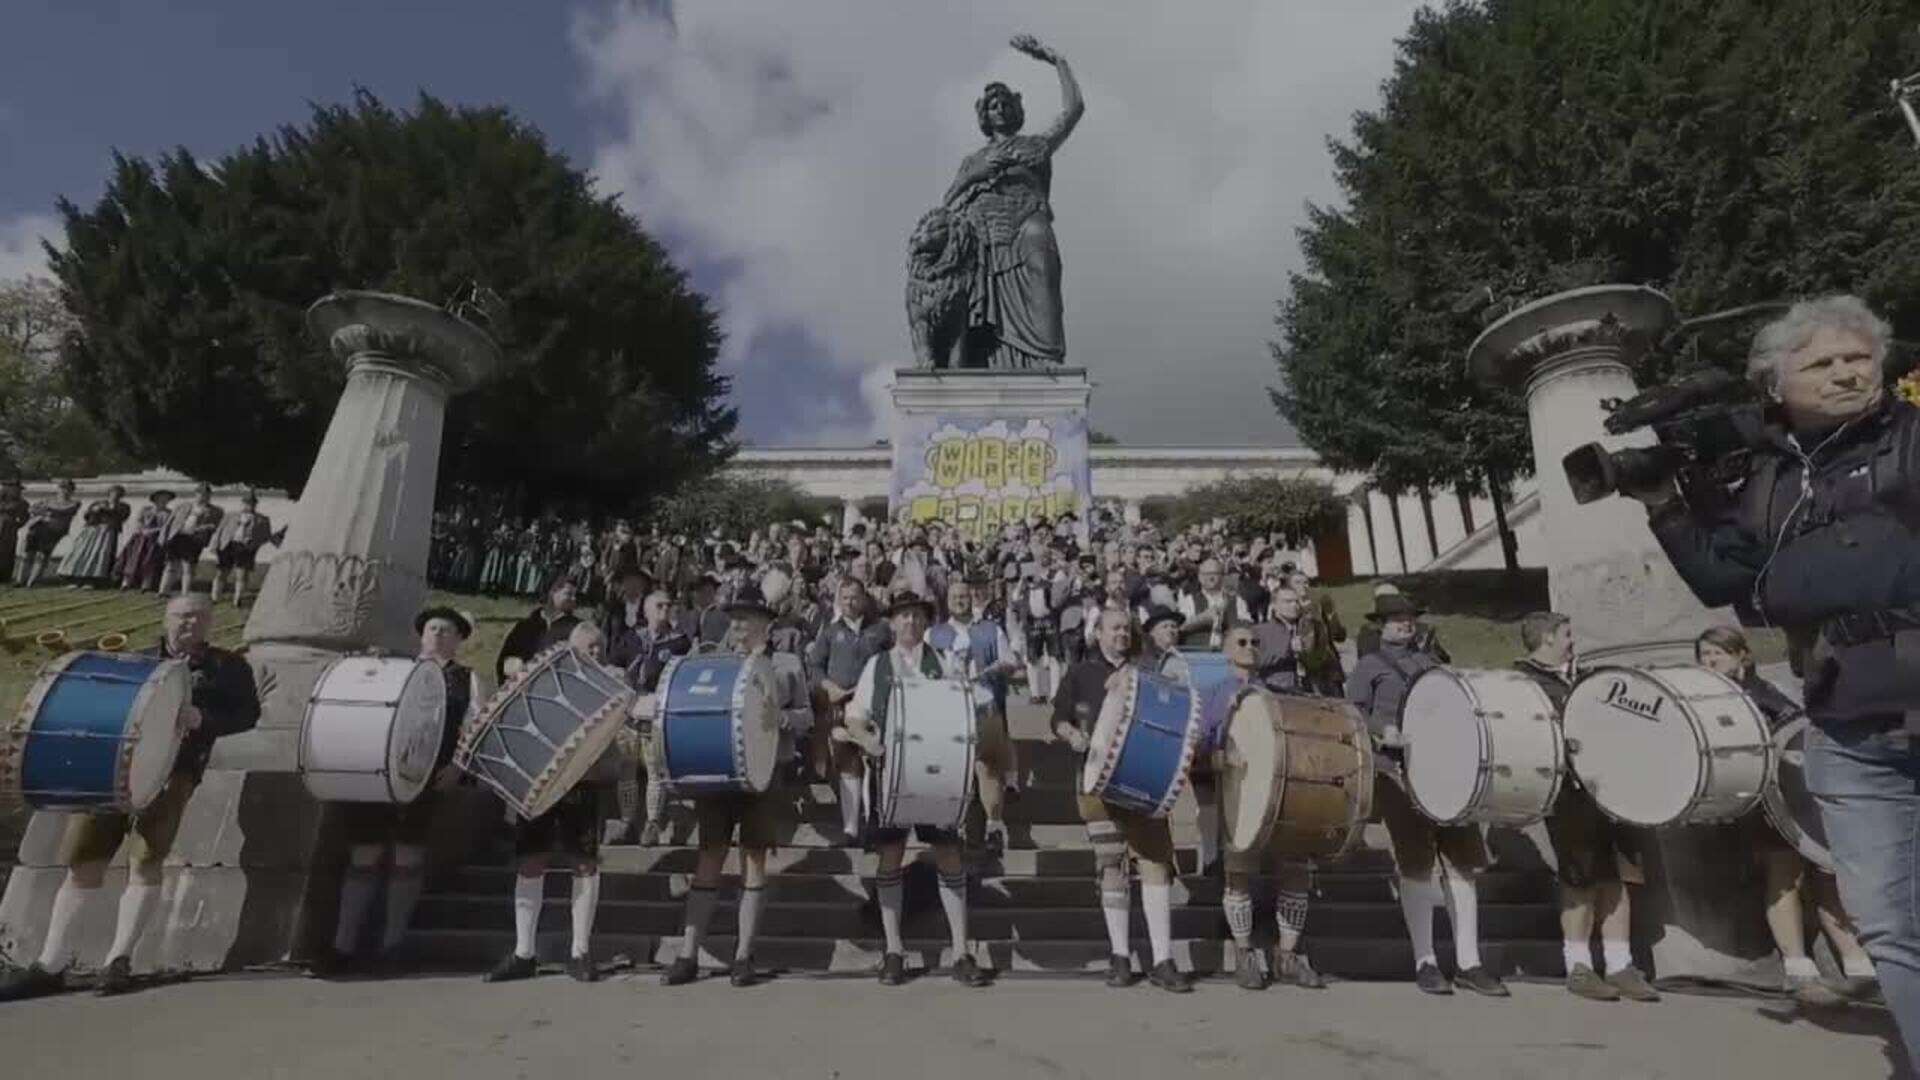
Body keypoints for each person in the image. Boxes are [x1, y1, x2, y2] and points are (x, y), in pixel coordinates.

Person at [1643, 296, 1920, 1062]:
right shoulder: (1766, 479)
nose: (1844, 373)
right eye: (1820, 363)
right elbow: (1720, 577)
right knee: (1893, 924)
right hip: (1847, 723)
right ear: (1774, 386)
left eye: (1857, 358)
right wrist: (1666, 505)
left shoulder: (1912, 439)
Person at [0, 593, 259, 1000]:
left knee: (147, 859)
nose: (189, 623)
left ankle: (118, 960)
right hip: (109, 771)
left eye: (198, 617)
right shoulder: (135, 659)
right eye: (181, 617)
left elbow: (248, 715)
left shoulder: (229, 668)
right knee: (82, 859)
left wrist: (205, 719)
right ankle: (50, 964)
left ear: (209, 623)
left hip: (174, 773)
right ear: (166, 619)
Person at [1695, 625, 1876, 1006]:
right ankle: (1797, 967)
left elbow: (1796, 730)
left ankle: (1859, 966)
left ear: (1742, 656)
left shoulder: (1764, 693)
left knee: (1825, 877)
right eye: (1704, 655)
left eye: (1717, 654)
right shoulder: (1704, 700)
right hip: (1755, 802)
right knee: (1784, 880)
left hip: (1792, 795)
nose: (1709, 661)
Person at [1346, 593, 1508, 997]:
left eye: (1408, 617)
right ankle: (1425, 961)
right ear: (1379, 626)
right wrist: (1382, 732)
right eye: (1396, 618)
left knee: (1461, 865)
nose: (1405, 623)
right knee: (1416, 864)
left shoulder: (1434, 662)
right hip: (1397, 773)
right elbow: (1351, 714)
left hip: (1448, 773)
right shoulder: (1368, 666)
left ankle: (1470, 963)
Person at [654, 585, 813, 987]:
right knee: (709, 857)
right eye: (735, 618)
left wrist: (785, 721)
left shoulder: (788, 663)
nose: (738, 625)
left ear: (765, 623)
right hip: (719, 770)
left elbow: (806, 715)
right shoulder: (714, 660)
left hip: (763, 773)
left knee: (754, 860)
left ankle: (744, 955)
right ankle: (688, 953)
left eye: (746, 618)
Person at [315, 607, 486, 974]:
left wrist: (458, 766)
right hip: (380, 773)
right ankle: (342, 945)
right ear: (421, 636)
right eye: (432, 629)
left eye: (446, 631)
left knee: (408, 856)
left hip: (427, 776)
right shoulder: (395, 669)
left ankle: (392, 943)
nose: (438, 635)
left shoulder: (467, 679)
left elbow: (476, 725)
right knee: (364, 853)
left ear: (458, 640)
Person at [840, 594, 991, 987]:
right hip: (889, 775)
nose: (910, 621)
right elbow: (854, 717)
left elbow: (973, 707)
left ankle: (960, 951)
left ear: (926, 623)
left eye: (918, 616)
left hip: (938, 776)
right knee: (889, 857)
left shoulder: (945, 663)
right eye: (903, 615)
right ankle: (894, 950)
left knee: (949, 856)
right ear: (892, 623)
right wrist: (869, 742)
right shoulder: (877, 664)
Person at [1507, 611, 1658, 1002]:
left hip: (1612, 791)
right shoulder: (1524, 683)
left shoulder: (1590, 677)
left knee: (1619, 878)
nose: (1573, 641)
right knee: (1580, 881)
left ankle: (1620, 965)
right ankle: (1579, 966)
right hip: (1569, 795)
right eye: (1567, 635)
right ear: (1546, 639)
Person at [1053, 606, 1192, 993]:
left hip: (1144, 778)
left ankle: (1163, 959)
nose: (1121, 634)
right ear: (1097, 633)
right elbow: (1059, 717)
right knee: (1111, 865)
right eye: (1113, 629)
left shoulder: (1147, 669)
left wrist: (1132, 678)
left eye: (1125, 629)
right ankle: (1120, 956)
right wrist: (1072, 736)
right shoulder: (1080, 673)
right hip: (1096, 784)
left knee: (1154, 865)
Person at [484, 623, 617, 984]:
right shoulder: (544, 684)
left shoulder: (610, 687)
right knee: (530, 862)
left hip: (583, 785)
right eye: (588, 647)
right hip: (540, 784)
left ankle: (580, 951)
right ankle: (524, 952)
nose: (595, 653)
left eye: (599, 648)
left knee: (585, 864)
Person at [941, 34, 1082, 369]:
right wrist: (974, 176)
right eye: (993, 106)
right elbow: (947, 205)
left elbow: (1074, 109)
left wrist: (1055, 59)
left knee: (1040, 247)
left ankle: (1046, 360)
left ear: (1016, 109)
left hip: (1025, 227)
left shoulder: (1036, 146)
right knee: (968, 282)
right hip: (984, 239)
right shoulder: (973, 160)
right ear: (985, 117)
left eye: (1006, 103)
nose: (1000, 109)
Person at [1201, 626, 1323, 990]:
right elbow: (1198, 743)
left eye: (1255, 642)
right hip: (1237, 792)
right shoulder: (1215, 694)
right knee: (1238, 872)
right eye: (1241, 642)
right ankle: (1244, 954)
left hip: (1282, 793)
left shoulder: (1277, 694)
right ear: (1225, 651)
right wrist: (1217, 757)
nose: (1250, 647)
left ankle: (1286, 955)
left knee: (1295, 869)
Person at [928, 576, 1018, 853]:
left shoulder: (991, 630)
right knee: (953, 768)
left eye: (964, 596)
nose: (960, 600)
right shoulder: (933, 634)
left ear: (972, 598)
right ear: (947, 601)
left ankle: (994, 827)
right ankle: (951, 825)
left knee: (987, 767)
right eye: (954, 596)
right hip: (949, 709)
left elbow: (1011, 661)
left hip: (984, 704)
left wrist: (1001, 667)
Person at [806, 578, 891, 839]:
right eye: (845, 598)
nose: (850, 602)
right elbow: (814, 666)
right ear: (838, 601)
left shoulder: (880, 630)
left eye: (855, 597)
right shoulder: (830, 632)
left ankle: (877, 820)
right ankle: (851, 826)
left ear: (864, 599)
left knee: (877, 759)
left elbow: (892, 661)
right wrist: (827, 685)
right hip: (839, 705)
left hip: (874, 706)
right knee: (846, 758)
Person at [618, 588, 692, 846]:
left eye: (667, 606)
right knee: (626, 768)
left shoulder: (679, 642)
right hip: (629, 710)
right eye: (658, 606)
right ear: (647, 609)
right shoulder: (631, 638)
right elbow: (616, 668)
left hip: (657, 711)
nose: (664, 611)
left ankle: (652, 823)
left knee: (654, 769)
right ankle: (627, 822)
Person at [494, 577, 582, 682]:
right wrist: (513, 668)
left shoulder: (577, 629)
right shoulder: (525, 626)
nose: (574, 599)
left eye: (575, 595)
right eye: (569, 594)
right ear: (552, 592)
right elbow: (505, 660)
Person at [208, 491, 273, 606]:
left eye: (252, 504)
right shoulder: (230, 515)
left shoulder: (262, 519)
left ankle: (237, 599)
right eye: (246, 503)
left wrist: (254, 544)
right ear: (242, 503)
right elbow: (219, 531)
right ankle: (215, 597)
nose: (249, 506)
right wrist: (214, 545)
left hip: (246, 548)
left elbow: (266, 536)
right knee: (222, 572)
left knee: (242, 574)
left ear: (255, 505)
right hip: (228, 544)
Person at [57, 484, 129, 587]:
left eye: (118, 494)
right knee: (81, 554)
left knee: (99, 556)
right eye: (113, 493)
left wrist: (108, 510)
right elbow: (86, 515)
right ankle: (76, 579)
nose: (115, 496)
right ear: (109, 493)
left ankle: (92, 580)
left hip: (107, 533)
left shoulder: (124, 506)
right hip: (92, 530)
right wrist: (95, 510)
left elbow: (122, 517)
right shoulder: (98, 503)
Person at [157, 482, 223, 595]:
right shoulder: (183, 506)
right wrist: (163, 537)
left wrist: (207, 529)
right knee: (171, 564)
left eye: (207, 495)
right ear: (195, 494)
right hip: (177, 537)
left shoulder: (216, 511)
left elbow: (218, 527)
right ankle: (163, 591)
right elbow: (169, 523)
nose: (203, 497)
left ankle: (185, 593)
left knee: (188, 567)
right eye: (201, 494)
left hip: (194, 540)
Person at [17, 478, 81, 588]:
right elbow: (32, 509)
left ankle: (32, 581)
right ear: (58, 489)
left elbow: (66, 512)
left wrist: (47, 512)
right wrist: (44, 513)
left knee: (42, 555)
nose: (64, 491)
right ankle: (20, 579)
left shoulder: (74, 503)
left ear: (71, 491)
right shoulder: (48, 501)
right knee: (29, 552)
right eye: (62, 488)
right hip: (39, 527)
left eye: (67, 489)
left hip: (54, 531)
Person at [1176, 558, 1253, 650]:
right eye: (1207, 574)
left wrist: (1227, 621)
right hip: (1197, 653)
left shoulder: (1237, 601)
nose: (1211, 578)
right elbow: (1181, 628)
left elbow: (1248, 626)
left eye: (1215, 573)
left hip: (1228, 655)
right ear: (1200, 577)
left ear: (1222, 576)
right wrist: (1202, 618)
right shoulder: (1189, 600)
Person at [115, 489, 174, 591]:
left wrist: (157, 531)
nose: (163, 501)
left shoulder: (168, 513)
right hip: (141, 538)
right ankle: (126, 582)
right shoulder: (146, 510)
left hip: (157, 540)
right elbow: (138, 522)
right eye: (161, 498)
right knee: (133, 558)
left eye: (166, 499)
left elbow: (167, 527)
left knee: (150, 560)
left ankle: (146, 584)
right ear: (155, 500)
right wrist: (142, 530)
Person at [0, 477, 29, 585]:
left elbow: (25, 517)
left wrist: (17, 525)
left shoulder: (22, 503)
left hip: (9, 529)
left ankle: (4, 576)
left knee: (7, 553)